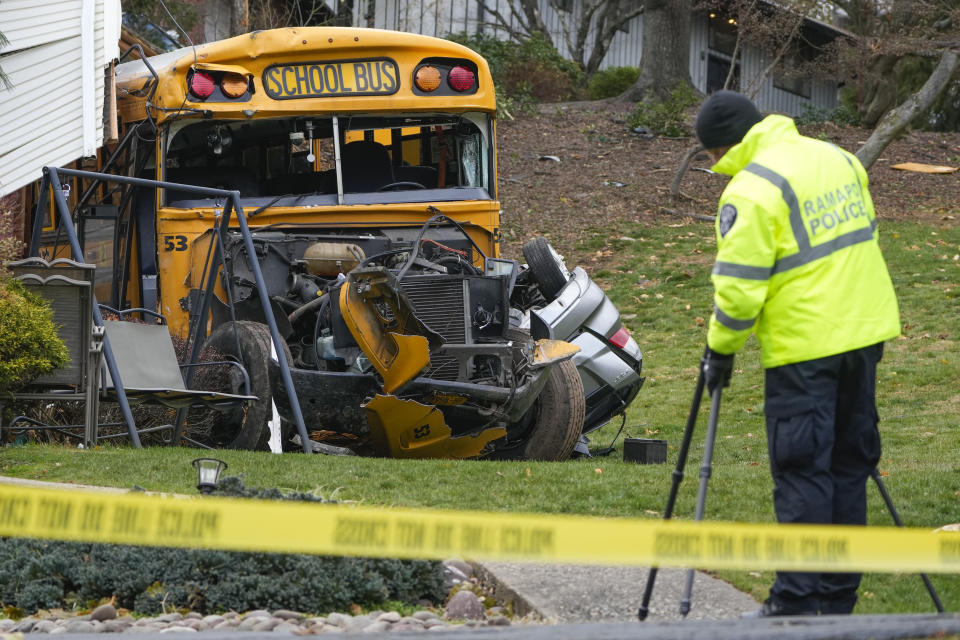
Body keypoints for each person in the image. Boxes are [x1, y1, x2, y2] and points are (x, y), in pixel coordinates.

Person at [694, 91, 901, 617]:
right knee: (850, 469)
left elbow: (739, 288)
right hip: (865, 336)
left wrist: (720, 350)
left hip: (804, 351)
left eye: (712, 157)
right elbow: (865, 233)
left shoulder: (752, 188)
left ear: (722, 149)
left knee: (803, 471)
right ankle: (836, 605)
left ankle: (793, 607)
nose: (716, 168)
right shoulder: (838, 157)